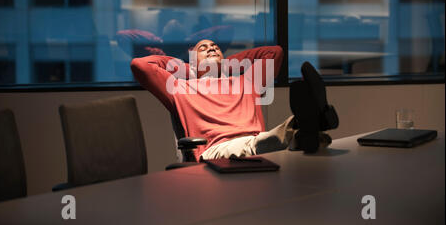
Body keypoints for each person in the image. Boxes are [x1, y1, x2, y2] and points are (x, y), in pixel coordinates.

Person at [131, 39, 330, 161]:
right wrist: (185, 68)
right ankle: (303, 128)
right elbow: (140, 65)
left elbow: (274, 52)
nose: (212, 49)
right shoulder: (178, 87)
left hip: (258, 146)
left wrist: (226, 64)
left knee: (261, 143)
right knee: (260, 142)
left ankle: (302, 133)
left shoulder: (246, 81)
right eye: (204, 48)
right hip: (215, 151)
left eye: (216, 47)